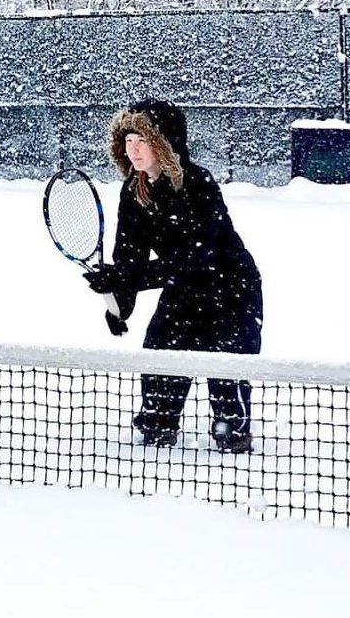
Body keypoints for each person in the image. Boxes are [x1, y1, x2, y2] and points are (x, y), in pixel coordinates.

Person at [83, 99, 263, 454]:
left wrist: (127, 276)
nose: (132, 150)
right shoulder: (133, 192)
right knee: (160, 362)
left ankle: (233, 438)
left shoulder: (198, 184)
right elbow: (130, 254)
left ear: (164, 143)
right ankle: (157, 430)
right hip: (181, 290)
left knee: (226, 375)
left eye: (142, 141)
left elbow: (198, 256)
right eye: (128, 141)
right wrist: (119, 301)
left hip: (231, 290)